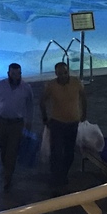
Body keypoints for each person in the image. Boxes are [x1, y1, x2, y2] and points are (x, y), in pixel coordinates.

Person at [0, 62, 36, 192]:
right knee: (3, 148)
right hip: (2, 122)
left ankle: (8, 176)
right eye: (13, 74)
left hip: (17, 124)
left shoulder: (26, 88)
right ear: (8, 74)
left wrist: (29, 121)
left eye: (18, 74)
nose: (16, 77)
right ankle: (6, 168)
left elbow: (30, 106)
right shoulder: (1, 85)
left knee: (12, 150)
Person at [40, 61, 88, 192]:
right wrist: (45, 118)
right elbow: (42, 101)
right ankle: (55, 176)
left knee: (69, 152)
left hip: (73, 123)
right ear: (56, 74)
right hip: (57, 122)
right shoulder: (51, 85)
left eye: (65, 73)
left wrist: (84, 114)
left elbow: (83, 97)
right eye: (60, 73)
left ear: (68, 72)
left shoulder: (76, 82)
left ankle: (63, 174)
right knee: (56, 151)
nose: (63, 76)